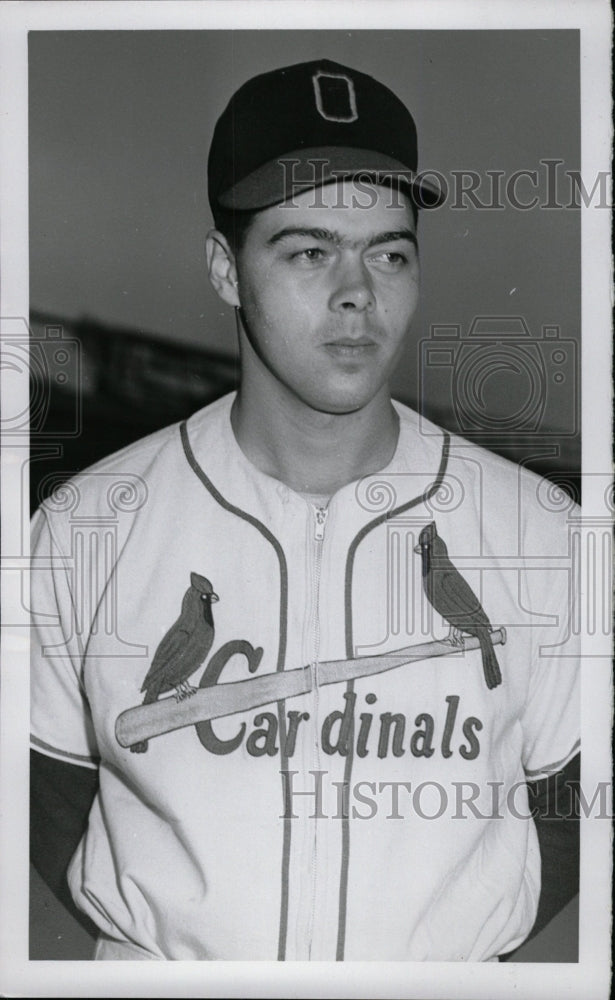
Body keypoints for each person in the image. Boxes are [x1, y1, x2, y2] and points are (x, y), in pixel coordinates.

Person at [30, 58, 580, 962]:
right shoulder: (92, 525)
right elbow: (43, 800)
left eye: (389, 252)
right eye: (308, 250)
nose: (355, 292)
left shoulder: (541, 532)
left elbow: (568, 816)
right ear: (224, 268)